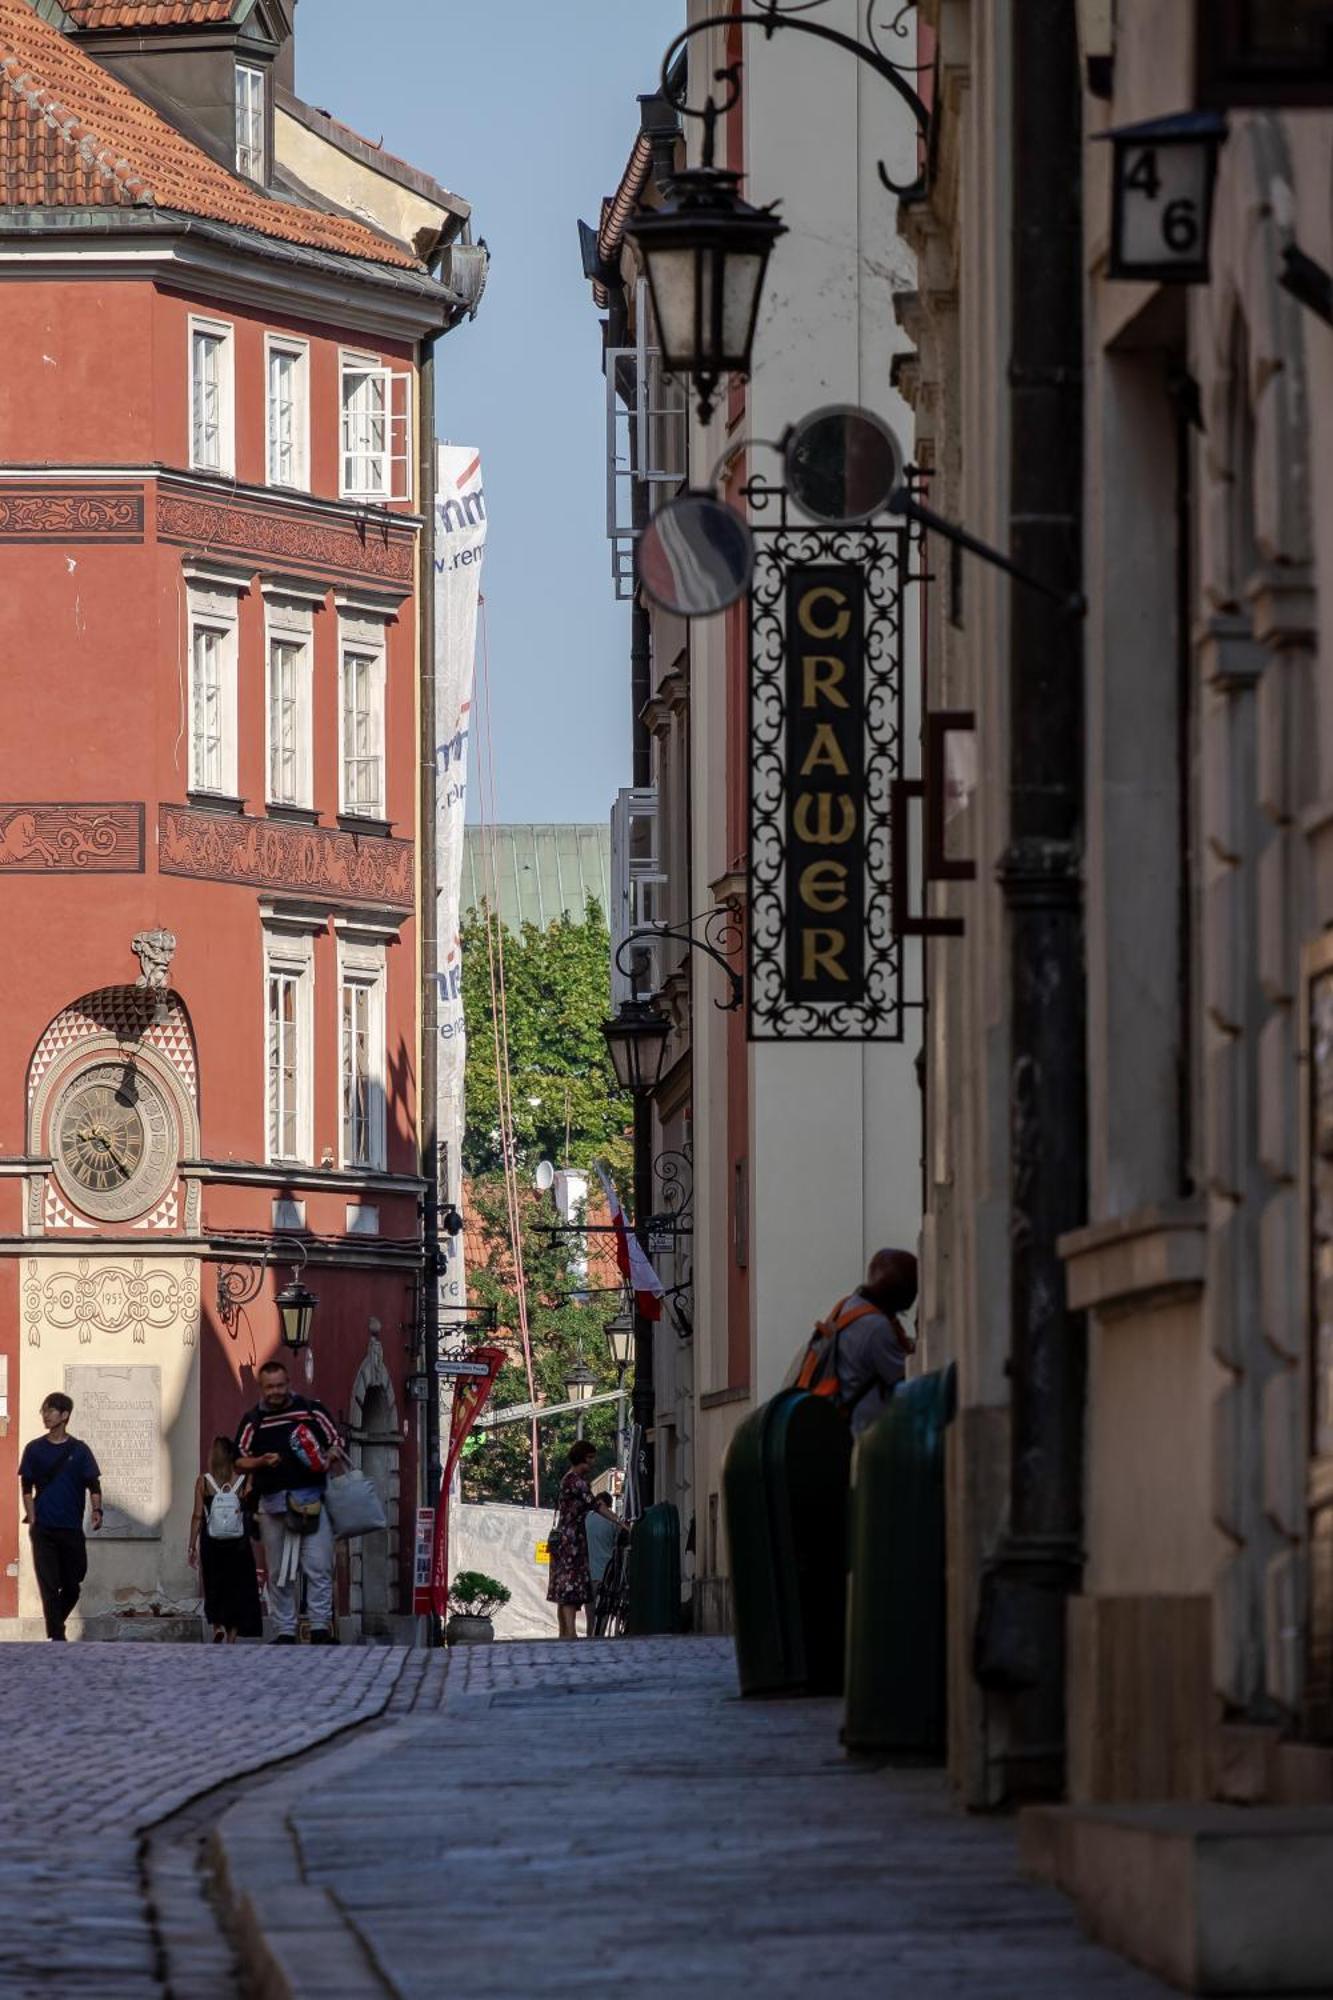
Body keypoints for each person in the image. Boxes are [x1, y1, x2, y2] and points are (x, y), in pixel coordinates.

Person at [235, 1359, 344, 1645]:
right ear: (261, 1388)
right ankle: (285, 1630)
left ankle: (320, 1627)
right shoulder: (253, 1421)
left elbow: (336, 1440)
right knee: (279, 1572)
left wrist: (327, 1458)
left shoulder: (311, 1411)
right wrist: (260, 1461)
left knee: (318, 1566)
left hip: (312, 1502)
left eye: (280, 1385)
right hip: (272, 1505)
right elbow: (238, 1459)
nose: (276, 1392)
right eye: (270, 1387)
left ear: (289, 1383)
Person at [801, 1248, 919, 1436]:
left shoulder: (848, 1306)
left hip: (841, 1427)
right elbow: (908, 1378)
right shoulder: (876, 1327)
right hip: (864, 1435)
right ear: (902, 1295)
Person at [19, 1392, 102, 1641]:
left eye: (50, 1410)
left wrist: (97, 1511)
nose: (45, 1415)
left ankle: (55, 1626)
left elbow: (93, 1485)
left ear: (64, 1415)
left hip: (70, 1528)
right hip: (44, 1527)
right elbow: (27, 1486)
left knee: (73, 1583)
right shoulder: (34, 1449)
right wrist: (32, 1516)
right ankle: (57, 1635)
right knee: (48, 1584)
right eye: (43, 1410)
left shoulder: (80, 1450)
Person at [188, 1435, 263, 1644]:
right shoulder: (242, 1481)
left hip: (211, 1542)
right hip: (238, 1543)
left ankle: (217, 1627)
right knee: (237, 1588)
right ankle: (232, 1637)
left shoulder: (203, 1481)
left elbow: (197, 1516)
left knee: (214, 1586)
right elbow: (250, 1507)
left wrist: (191, 1545)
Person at [546, 1440, 623, 1640]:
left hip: (564, 1539)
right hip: (572, 1542)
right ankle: (570, 1633)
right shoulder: (577, 1482)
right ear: (582, 1458)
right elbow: (596, 1505)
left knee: (563, 1589)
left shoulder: (567, 1479)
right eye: (590, 1458)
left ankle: (564, 1632)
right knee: (571, 1588)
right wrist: (619, 1521)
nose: (592, 1463)